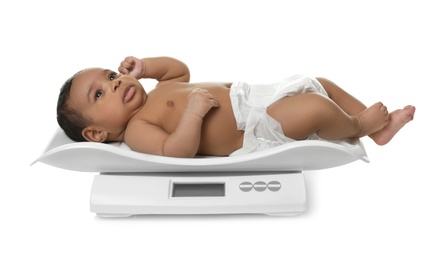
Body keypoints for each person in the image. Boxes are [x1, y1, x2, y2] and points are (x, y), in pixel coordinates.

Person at [57, 56, 415, 158]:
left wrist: (147, 68)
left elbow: (180, 70)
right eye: (99, 94)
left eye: (109, 75)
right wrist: (193, 114)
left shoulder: (155, 93)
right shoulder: (137, 131)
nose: (114, 82)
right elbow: (175, 150)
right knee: (316, 108)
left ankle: (381, 132)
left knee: (322, 82)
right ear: (96, 133)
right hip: (255, 126)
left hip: (257, 97)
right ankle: (359, 126)